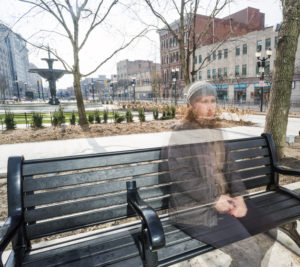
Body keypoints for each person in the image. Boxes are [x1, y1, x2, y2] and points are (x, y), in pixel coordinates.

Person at [166, 81, 274, 266]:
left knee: (269, 231)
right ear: (191, 106)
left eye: (213, 101)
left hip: (225, 203)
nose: (211, 107)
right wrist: (214, 198)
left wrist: (239, 196)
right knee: (250, 253)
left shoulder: (215, 131)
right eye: (204, 101)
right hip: (195, 211)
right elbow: (181, 175)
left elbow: (230, 167)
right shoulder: (181, 133)